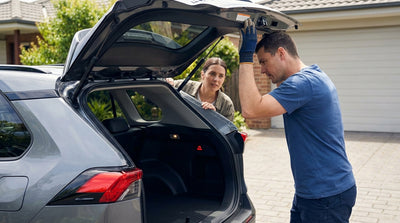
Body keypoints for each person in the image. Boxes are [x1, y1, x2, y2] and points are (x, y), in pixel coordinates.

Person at [238, 19, 356, 223]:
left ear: (282, 53)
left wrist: (246, 57)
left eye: (264, 61)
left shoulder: (303, 84)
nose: (263, 70)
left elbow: (250, 109)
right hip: (313, 192)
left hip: (326, 197)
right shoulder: (313, 76)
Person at [167, 57, 235, 121]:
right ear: (203, 74)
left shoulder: (227, 104)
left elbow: (226, 132)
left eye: (221, 76)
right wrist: (168, 81)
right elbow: (166, 84)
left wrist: (214, 116)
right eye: (212, 74)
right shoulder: (184, 86)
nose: (216, 79)